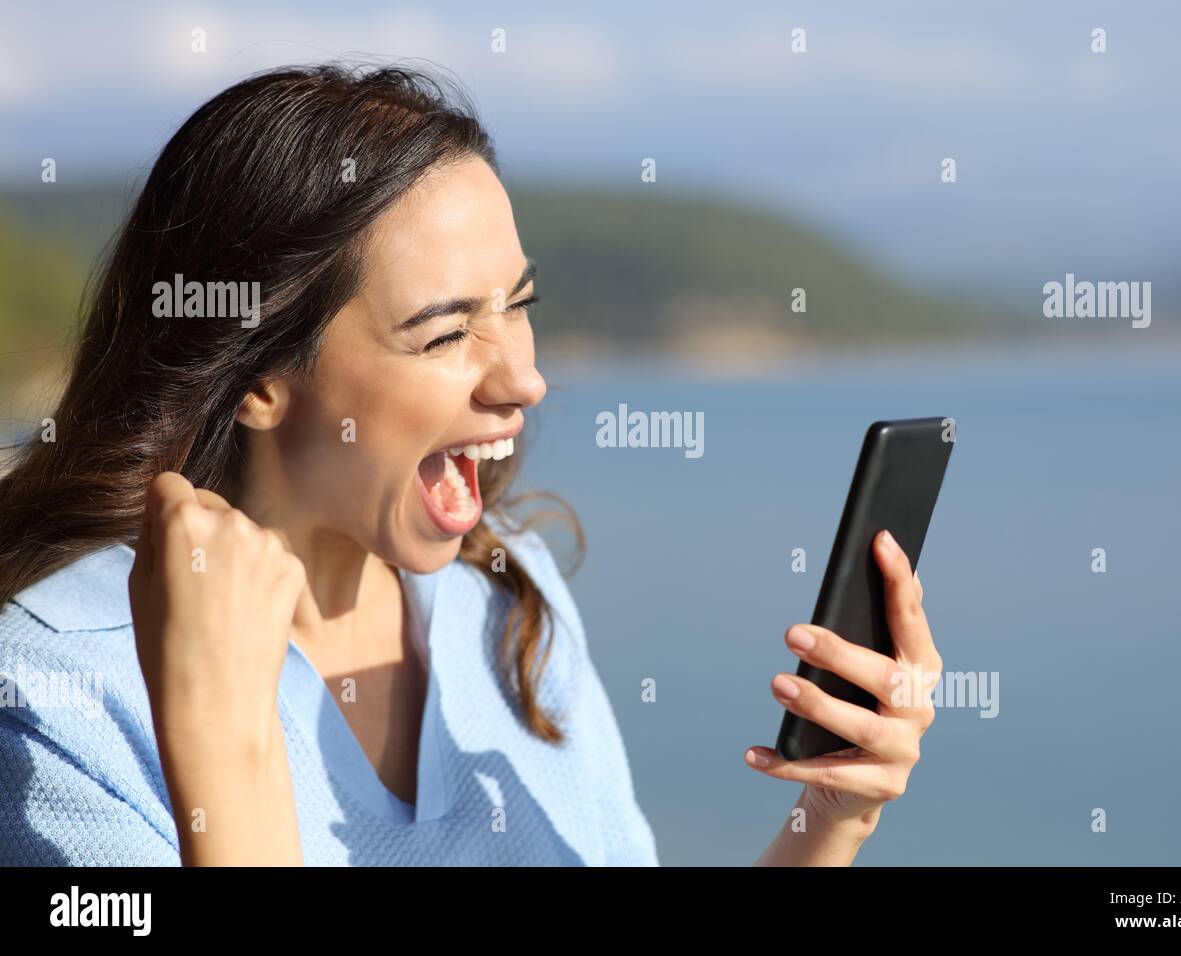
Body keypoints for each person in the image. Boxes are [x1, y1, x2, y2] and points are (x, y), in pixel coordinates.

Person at [0, 63, 941, 866]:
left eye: (519, 304)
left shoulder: (505, 599)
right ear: (257, 378)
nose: (526, 379)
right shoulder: (54, 696)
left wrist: (828, 819)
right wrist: (222, 745)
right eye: (446, 332)